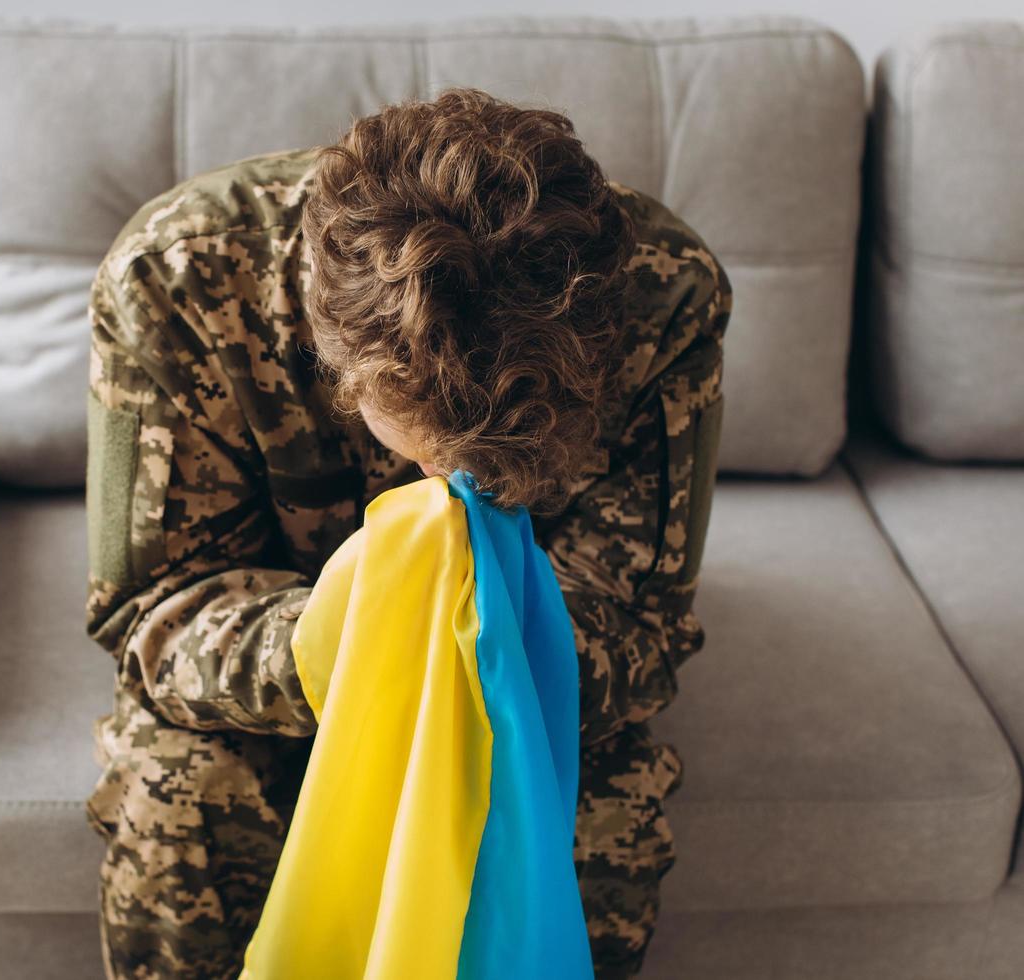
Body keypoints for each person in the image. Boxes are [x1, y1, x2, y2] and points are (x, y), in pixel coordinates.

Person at [82, 86, 732, 980]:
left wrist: (484, 652)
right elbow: (151, 610)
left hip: (525, 668)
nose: (445, 482)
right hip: (279, 666)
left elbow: (640, 615)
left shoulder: (663, 297)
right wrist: (345, 643)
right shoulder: (177, 279)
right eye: (429, 441)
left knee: (608, 818)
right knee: (177, 797)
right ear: (336, 354)